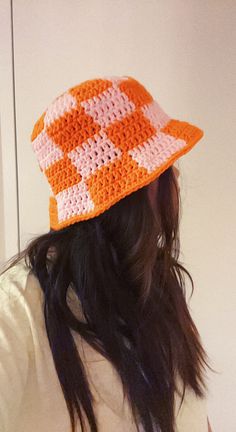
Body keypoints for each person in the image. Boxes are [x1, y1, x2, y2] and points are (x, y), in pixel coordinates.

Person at [0, 75, 215, 432]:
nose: (175, 177)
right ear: (140, 187)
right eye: (165, 167)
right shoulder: (17, 310)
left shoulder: (157, 287)